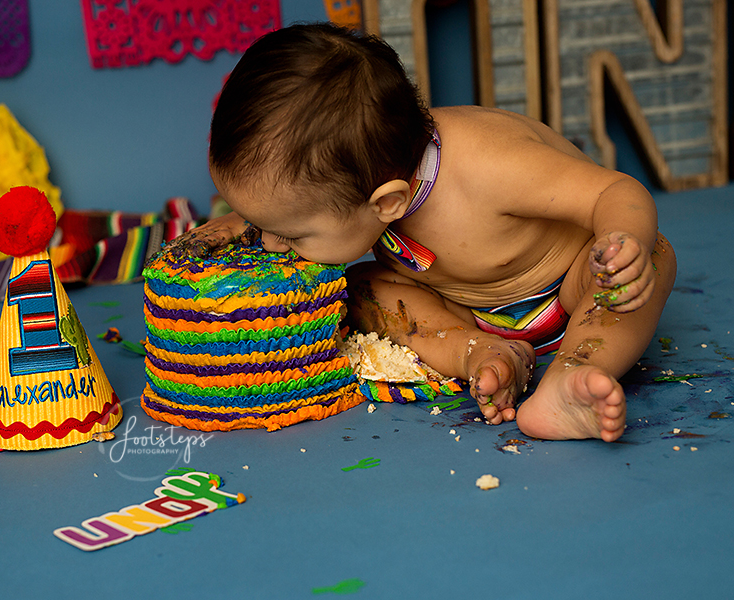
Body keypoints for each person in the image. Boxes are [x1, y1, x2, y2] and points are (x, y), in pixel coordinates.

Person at [172, 22, 676, 441]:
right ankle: (481, 354)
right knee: (363, 289)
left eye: (289, 234)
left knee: (652, 254)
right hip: (461, 308)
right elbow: (291, 215)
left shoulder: (490, 163)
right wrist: (239, 223)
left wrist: (622, 241)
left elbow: (613, 191)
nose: (270, 244)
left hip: (568, 292)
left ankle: (573, 376)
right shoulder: (359, 180)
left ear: (387, 202)